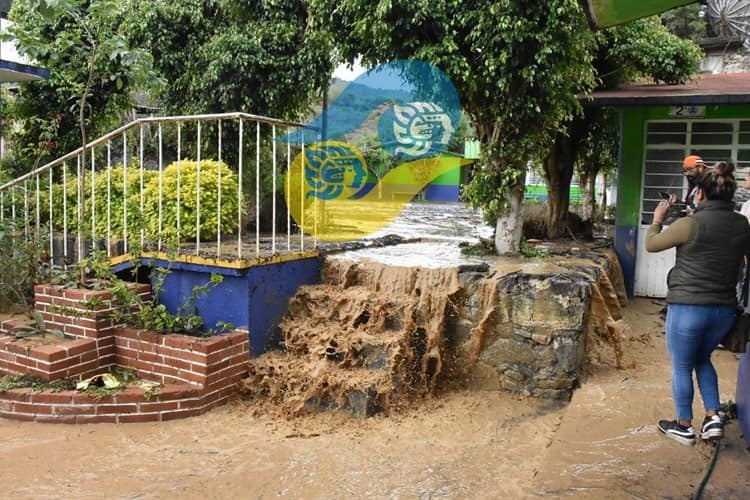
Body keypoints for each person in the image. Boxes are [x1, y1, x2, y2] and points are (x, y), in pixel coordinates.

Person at [646, 161, 750, 445]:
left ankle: (683, 425)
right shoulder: (742, 224)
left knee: (681, 365)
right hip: (724, 311)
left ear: (700, 194)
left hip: (688, 308)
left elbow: (652, 245)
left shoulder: (688, 224)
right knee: (702, 358)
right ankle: (713, 417)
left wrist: (658, 219)